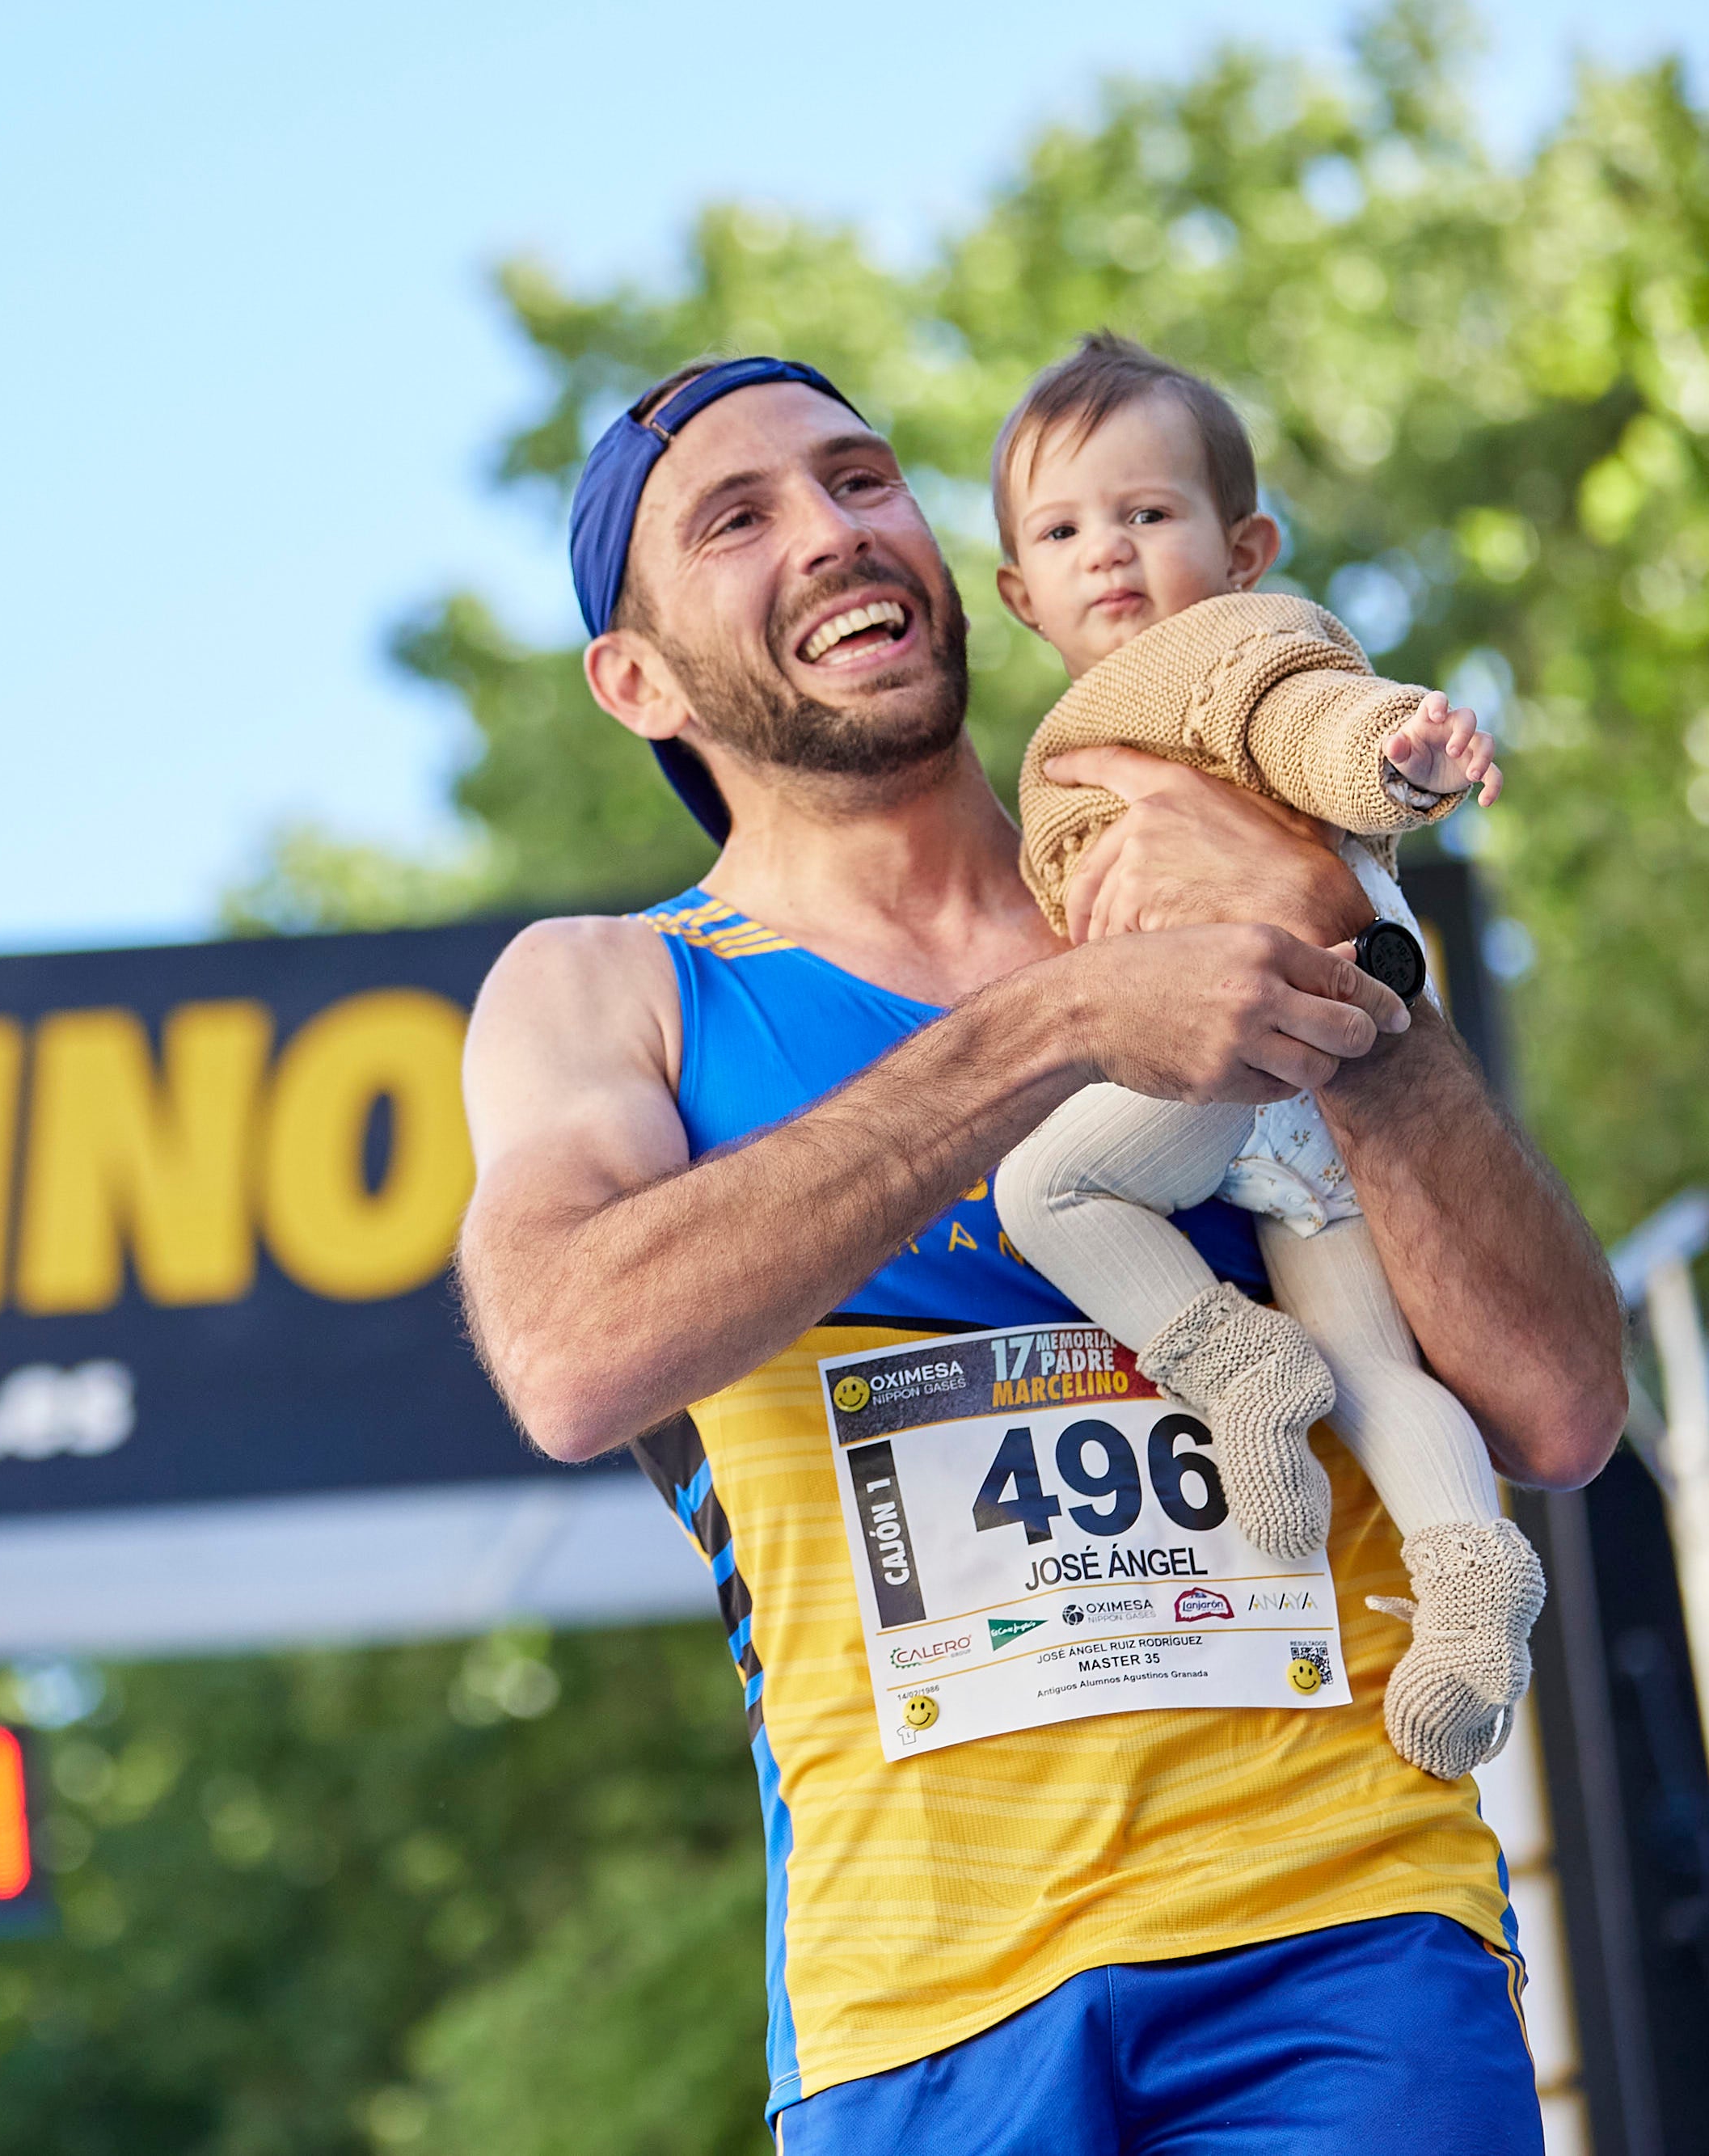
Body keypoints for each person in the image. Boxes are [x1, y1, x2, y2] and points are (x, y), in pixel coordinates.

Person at [455, 352, 1623, 2148]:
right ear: (635, 680)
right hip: (921, 1999)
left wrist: (1341, 963)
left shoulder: (1203, 858)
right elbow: (564, 1352)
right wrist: (1059, 1020)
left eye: (860, 479)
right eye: (738, 518)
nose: (833, 532)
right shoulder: (611, 988)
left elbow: (1558, 1408)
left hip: (1344, 1933)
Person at [987, 331, 1540, 1786]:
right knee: (1370, 1371)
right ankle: (1472, 1582)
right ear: (1019, 591)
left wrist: (1394, 756)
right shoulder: (1072, 731)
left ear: (1245, 550)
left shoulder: (1219, 649)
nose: (1109, 550)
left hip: (1266, 1037)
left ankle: (1233, 1367)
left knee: (1048, 1190)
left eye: (1147, 512)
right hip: (1295, 1111)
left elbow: (1303, 717)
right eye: (1063, 531)